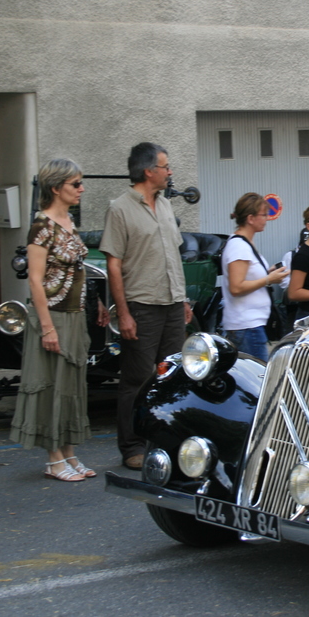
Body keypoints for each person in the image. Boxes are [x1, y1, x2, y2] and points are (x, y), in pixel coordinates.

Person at [10, 159, 106, 482]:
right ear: (55, 188)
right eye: (75, 184)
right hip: (53, 315)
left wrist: (97, 303)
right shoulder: (42, 227)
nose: (81, 189)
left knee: (71, 385)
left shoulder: (68, 221)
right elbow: (35, 281)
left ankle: (68, 452)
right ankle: (53, 459)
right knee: (52, 384)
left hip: (74, 314)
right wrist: (47, 327)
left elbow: (78, 269)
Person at [99, 142, 192, 471]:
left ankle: (169, 442)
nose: (170, 172)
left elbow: (174, 257)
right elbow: (113, 265)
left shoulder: (165, 205)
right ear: (148, 171)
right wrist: (123, 313)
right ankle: (132, 447)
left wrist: (183, 299)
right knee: (136, 380)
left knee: (174, 377)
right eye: (165, 167)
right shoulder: (120, 209)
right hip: (142, 306)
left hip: (171, 304)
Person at [221, 193, 288, 360]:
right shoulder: (239, 246)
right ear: (250, 218)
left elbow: (247, 278)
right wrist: (268, 279)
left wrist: (268, 274)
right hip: (247, 326)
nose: (267, 219)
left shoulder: (244, 243)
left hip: (250, 326)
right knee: (257, 374)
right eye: (263, 215)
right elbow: (236, 287)